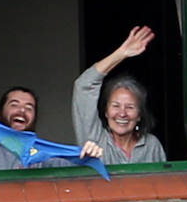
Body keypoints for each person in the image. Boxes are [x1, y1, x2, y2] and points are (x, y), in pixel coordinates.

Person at [0, 82, 103, 171]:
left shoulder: (41, 153)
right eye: (14, 105)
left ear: (34, 118)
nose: (22, 111)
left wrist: (88, 154)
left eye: (29, 108)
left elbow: (75, 166)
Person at [72, 25, 168, 164]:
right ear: (106, 111)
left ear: (140, 115)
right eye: (116, 106)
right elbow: (84, 85)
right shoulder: (95, 140)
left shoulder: (151, 145)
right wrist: (122, 53)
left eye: (130, 107)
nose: (122, 114)